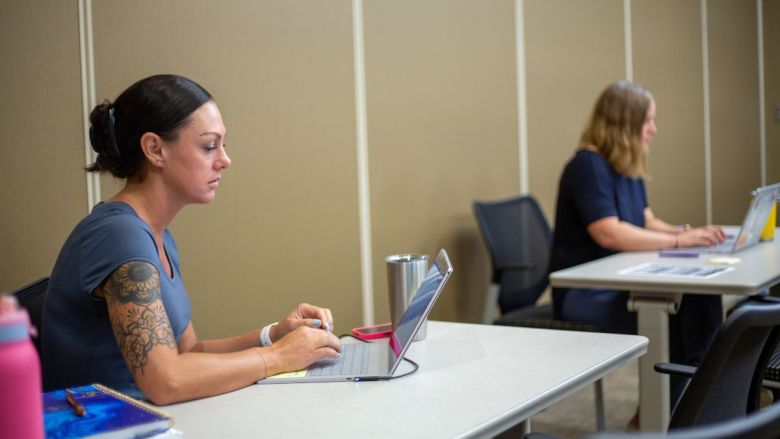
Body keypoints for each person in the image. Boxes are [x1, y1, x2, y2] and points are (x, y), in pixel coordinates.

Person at [41, 74, 342, 405]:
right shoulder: (119, 236)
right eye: (209, 146)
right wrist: (280, 357)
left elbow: (189, 353)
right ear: (155, 149)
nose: (224, 160)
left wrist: (272, 336)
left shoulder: (157, 233)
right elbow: (166, 381)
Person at [549, 80, 726, 406]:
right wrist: (677, 240)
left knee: (699, 301)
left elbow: (646, 219)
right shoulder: (587, 166)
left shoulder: (625, 166)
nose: (654, 130)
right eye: (648, 121)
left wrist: (685, 233)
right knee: (682, 318)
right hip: (584, 293)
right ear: (624, 123)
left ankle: (683, 406)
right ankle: (679, 409)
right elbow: (609, 232)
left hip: (621, 282)